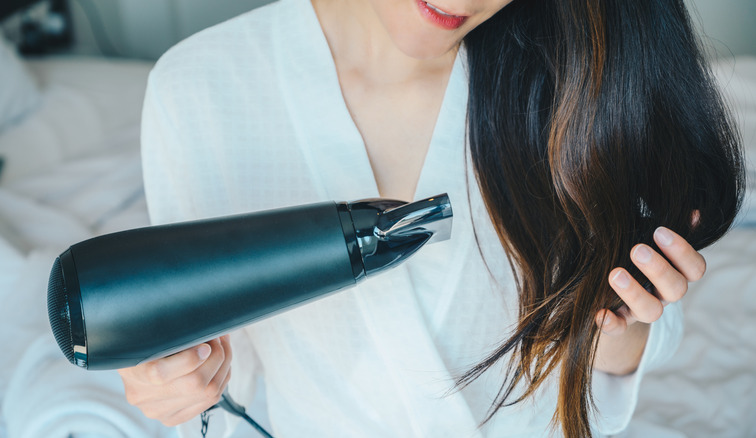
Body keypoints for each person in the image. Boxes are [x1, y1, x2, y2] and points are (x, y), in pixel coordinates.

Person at [119, 0, 743, 436]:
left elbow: (615, 364)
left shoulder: (566, 74)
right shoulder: (197, 91)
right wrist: (178, 382)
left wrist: (619, 324)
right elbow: (221, 365)